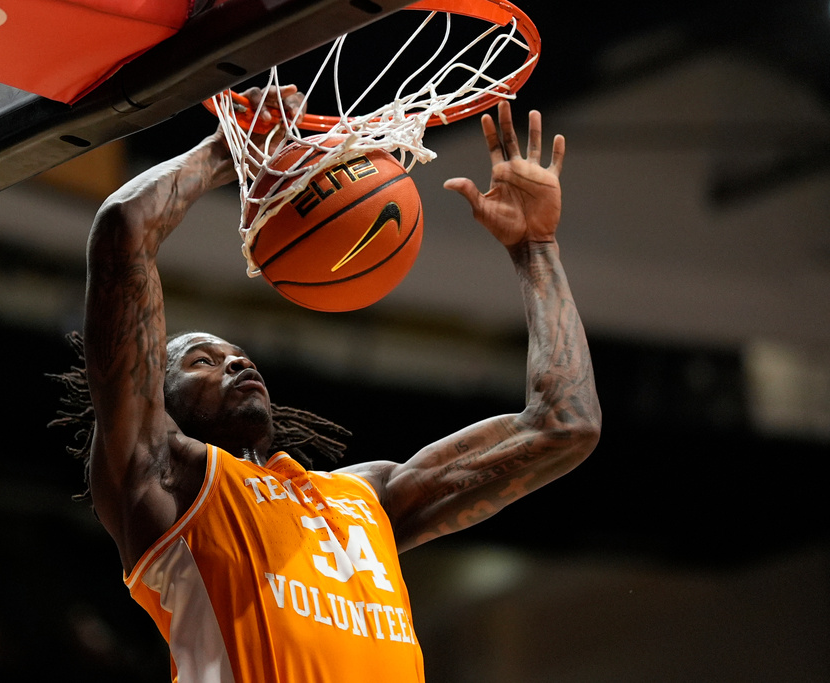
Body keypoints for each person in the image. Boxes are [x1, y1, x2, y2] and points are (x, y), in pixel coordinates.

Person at [51, 85, 601, 682]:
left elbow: (564, 425)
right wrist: (228, 151)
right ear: (157, 403)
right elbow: (123, 231)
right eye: (202, 361)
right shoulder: (162, 480)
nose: (236, 364)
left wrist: (535, 248)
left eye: (238, 355)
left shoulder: (366, 498)